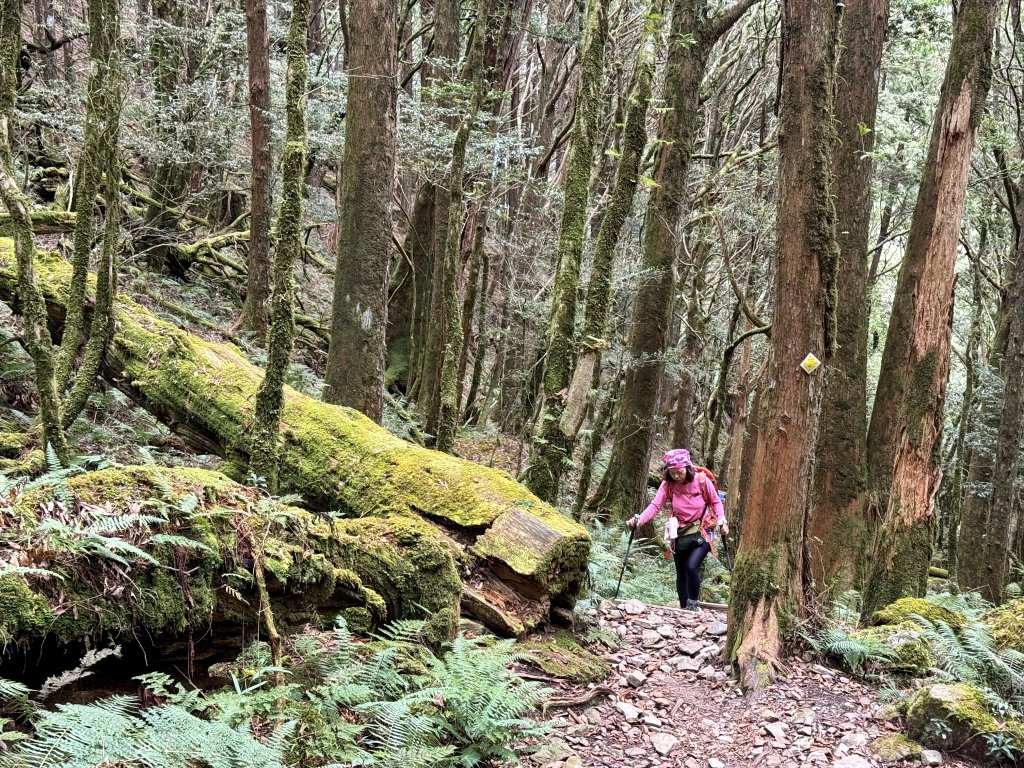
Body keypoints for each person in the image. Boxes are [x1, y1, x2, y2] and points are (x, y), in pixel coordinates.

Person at [627, 448, 728, 612]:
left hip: (701, 532)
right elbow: (655, 505)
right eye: (672, 473)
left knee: (691, 567)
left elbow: (716, 502)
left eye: (679, 472)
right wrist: (639, 520)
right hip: (679, 533)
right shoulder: (668, 485)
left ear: (687, 468)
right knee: (681, 573)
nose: (676, 476)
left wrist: (722, 520)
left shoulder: (702, 481)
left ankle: (693, 605)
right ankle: (683, 609)